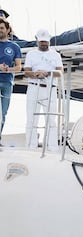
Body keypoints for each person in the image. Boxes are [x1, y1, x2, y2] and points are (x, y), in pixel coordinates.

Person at [24, 29, 63, 151]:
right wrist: (35, 74)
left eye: (46, 42)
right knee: (31, 118)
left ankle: (52, 147)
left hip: (49, 88)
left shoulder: (55, 54)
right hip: (34, 86)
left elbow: (59, 71)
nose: (44, 44)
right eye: (41, 42)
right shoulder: (31, 54)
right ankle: (31, 145)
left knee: (51, 118)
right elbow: (27, 71)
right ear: (37, 41)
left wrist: (47, 73)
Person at [0, 18, 22, 146]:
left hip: (7, 82)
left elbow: (19, 67)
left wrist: (9, 69)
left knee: (3, 112)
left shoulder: (14, 47)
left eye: (2, 28)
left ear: (7, 30)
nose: (0, 30)